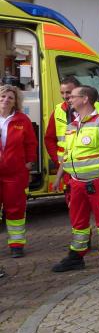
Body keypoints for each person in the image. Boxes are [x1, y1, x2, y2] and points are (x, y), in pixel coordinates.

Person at [51, 86, 99, 277]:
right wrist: (58, 177)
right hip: (76, 182)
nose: (69, 99)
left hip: (98, 182)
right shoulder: (72, 125)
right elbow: (67, 154)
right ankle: (76, 257)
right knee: (78, 221)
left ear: (85, 98)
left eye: (73, 96)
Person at [0, 85, 37, 258]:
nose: (5, 100)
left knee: (15, 209)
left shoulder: (22, 120)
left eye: (10, 97)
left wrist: (29, 163)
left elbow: (31, 143)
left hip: (15, 173)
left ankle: (16, 245)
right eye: (2, 96)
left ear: (15, 102)